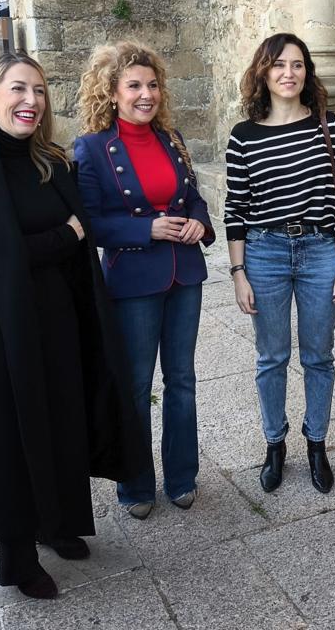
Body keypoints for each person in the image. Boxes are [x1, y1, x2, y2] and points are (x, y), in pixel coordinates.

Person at [0, 53, 143, 600]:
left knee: (61, 423)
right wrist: (62, 238)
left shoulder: (51, 161)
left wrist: (67, 241)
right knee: (9, 440)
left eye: (41, 91)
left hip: (60, 322)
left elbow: (80, 230)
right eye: (19, 89)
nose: (31, 101)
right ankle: (16, 553)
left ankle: (56, 522)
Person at [74, 42, 213, 520]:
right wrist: (145, 228)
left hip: (184, 274)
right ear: (112, 92)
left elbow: (193, 195)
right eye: (134, 85)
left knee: (183, 380)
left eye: (152, 85)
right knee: (135, 385)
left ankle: (182, 477)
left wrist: (198, 221)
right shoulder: (92, 148)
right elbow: (88, 222)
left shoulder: (171, 137)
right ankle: (134, 483)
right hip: (133, 280)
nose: (145, 94)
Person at [225, 32, 335, 495]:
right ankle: (275, 444)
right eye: (279, 64)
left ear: (307, 72)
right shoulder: (242, 136)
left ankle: (317, 443)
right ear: (263, 72)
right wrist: (238, 272)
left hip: (321, 251)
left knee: (319, 356)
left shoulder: (328, 125)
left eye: (298, 64)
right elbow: (235, 211)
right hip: (264, 253)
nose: (289, 73)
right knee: (272, 356)